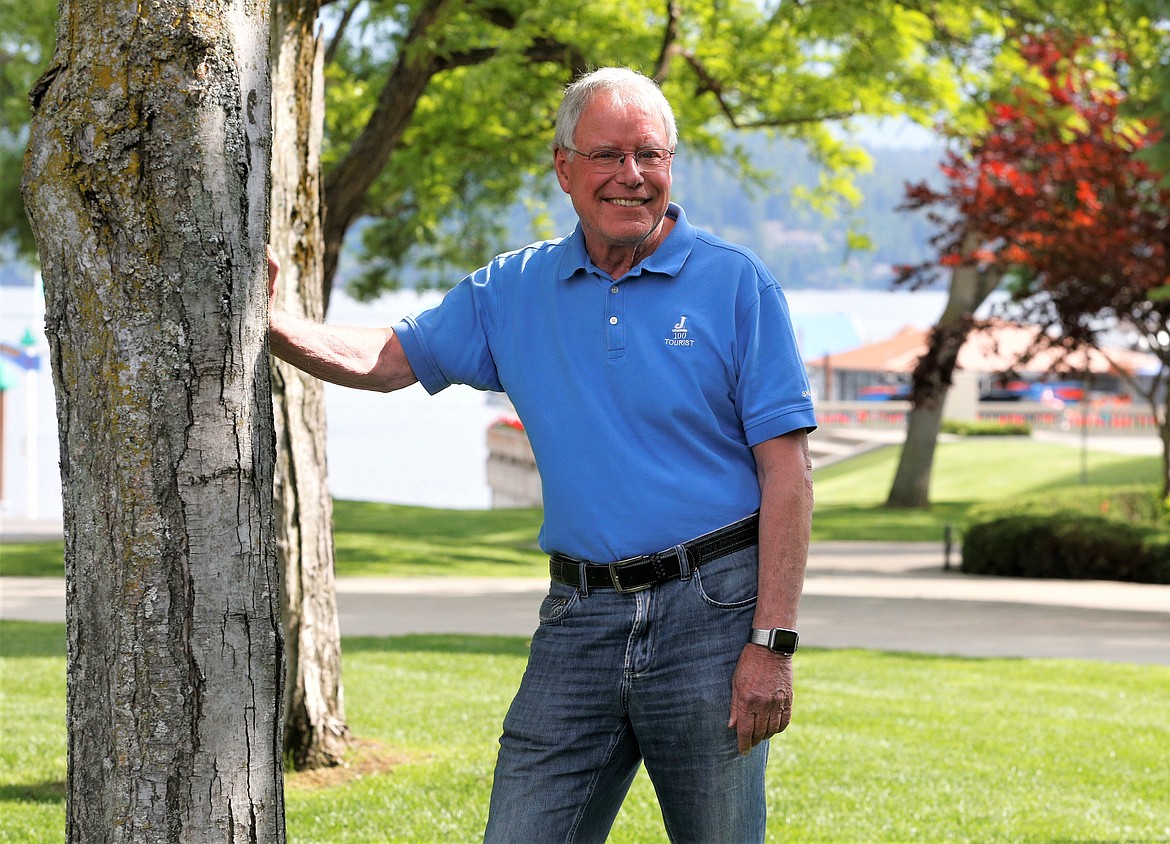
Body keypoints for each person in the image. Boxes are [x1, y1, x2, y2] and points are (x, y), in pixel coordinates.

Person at [269, 66, 816, 843]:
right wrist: (269, 322)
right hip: (578, 617)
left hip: (713, 613)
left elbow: (788, 478)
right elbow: (387, 359)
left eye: (650, 155)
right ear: (564, 167)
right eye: (608, 156)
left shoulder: (736, 286)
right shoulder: (513, 289)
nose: (631, 176)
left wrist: (772, 644)